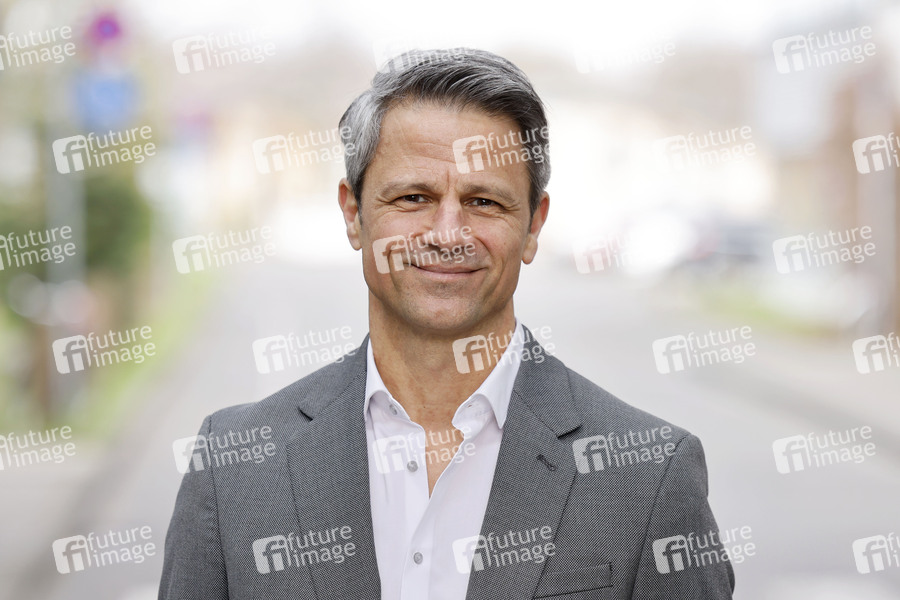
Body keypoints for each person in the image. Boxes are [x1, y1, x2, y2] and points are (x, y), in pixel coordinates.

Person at [159, 47, 735, 600]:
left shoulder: (652, 476)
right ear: (353, 214)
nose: (447, 234)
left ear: (534, 225)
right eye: (413, 197)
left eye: (484, 202)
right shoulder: (233, 469)